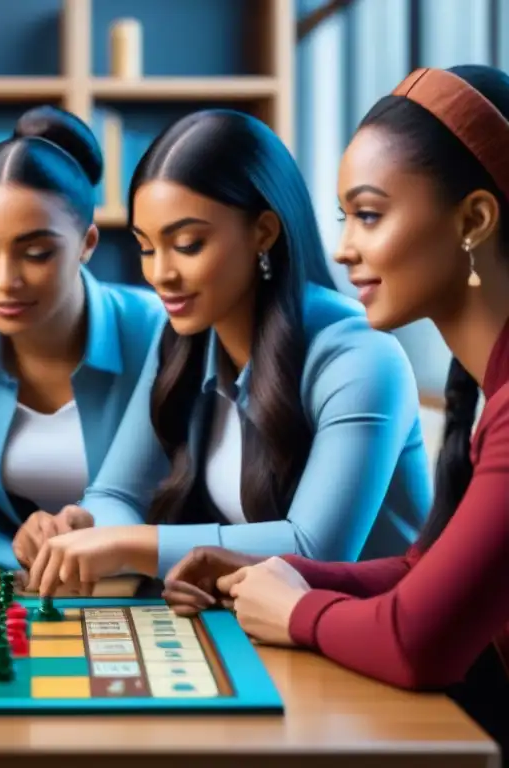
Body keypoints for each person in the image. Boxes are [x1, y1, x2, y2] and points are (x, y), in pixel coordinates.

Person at [161, 64, 509, 759]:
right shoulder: (482, 390)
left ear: (473, 219)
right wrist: (274, 573)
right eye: (344, 217)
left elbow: (420, 643)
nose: (344, 248)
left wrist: (294, 610)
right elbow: (422, 569)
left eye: (370, 215)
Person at [24, 108, 433, 595]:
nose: (160, 275)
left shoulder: (362, 358)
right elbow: (118, 492)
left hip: (377, 639)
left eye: (188, 244)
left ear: (263, 231)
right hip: (273, 630)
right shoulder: (184, 335)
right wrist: (87, 529)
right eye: (147, 247)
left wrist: (127, 545)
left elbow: (315, 548)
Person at [0, 106, 166, 570]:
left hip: (149, 585)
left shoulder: (156, 329)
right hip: (35, 585)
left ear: (86, 244)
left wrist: (82, 543)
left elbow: (145, 494)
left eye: (36, 253)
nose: (4, 280)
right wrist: (23, 554)